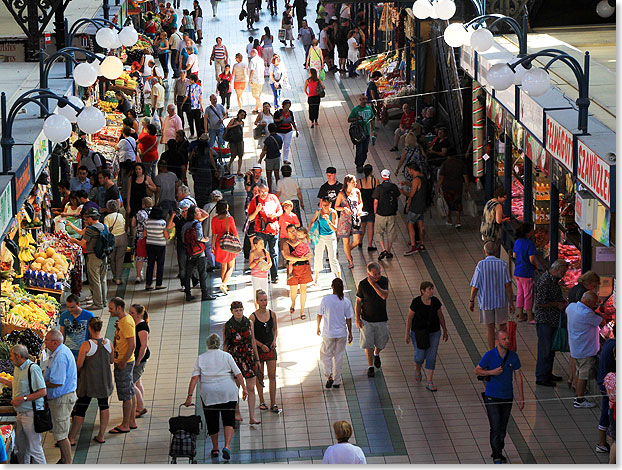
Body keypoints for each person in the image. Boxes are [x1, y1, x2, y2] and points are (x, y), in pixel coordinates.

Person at [184, 334, 248, 461]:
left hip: (209, 394)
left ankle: (215, 448)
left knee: (212, 421)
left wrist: (189, 396)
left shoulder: (201, 358)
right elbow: (238, 373)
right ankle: (227, 446)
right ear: (219, 343)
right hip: (228, 392)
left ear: (207, 344)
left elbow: (194, 378)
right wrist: (244, 388)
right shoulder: (226, 356)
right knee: (229, 420)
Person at [475, 330, 524, 464]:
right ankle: (497, 454)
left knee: (502, 427)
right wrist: (492, 372)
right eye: (504, 339)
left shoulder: (513, 356)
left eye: (507, 338)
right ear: (497, 341)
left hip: (507, 396)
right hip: (492, 396)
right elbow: (477, 370)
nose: (507, 341)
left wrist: (521, 397)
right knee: (495, 426)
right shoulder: (490, 355)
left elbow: (518, 376)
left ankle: (498, 450)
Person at [68, 317, 114, 446]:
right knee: (104, 405)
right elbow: (111, 360)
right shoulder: (108, 343)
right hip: (104, 381)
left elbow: (79, 365)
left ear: (89, 328)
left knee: (81, 408)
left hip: (88, 382)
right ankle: (101, 435)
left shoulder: (87, 345)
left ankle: (71, 437)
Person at [0, 345, 47, 464]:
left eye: (11, 356)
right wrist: (2, 380)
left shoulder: (33, 369)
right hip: (20, 413)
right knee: (21, 447)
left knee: (34, 448)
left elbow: (42, 391)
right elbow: (15, 384)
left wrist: (22, 399)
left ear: (19, 356)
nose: (10, 358)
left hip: (31, 413)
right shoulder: (17, 368)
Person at [469, 241, 515, 351]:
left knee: (489, 327)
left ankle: (491, 351)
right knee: (502, 326)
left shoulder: (480, 265)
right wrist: (511, 303)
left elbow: (475, 286)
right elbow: (508, 285)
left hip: (486, 302)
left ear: (485, 252)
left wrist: (471, 300)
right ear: (496, 251)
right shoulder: (503, 264)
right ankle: (502, 349)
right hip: (501, 301)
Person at [404, 282, 448, 392]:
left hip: (434, 332)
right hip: (418, 333)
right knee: (420, 356)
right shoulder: (416, 302)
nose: (432, 291)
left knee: (431, 357)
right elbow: (410, 318)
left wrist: (445, 330)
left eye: (432, 289)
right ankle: (418, 368)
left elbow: (440, 316)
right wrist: (407, 333)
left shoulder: (435, 302)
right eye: (429, 289)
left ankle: (429, 381)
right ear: (422, 291)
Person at [223, 301, 261, 425]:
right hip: (235, 357)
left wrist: (257, 358)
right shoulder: (228, 326)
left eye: (240, 310)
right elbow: (225, 345)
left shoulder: (249, 323)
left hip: (248, 356)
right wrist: (224, 362)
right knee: (236, 387)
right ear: (232, 312)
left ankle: (252, 416)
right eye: (236, 310)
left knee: (251, 387)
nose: (239, 313)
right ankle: (237, 412)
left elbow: (253, 341)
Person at [43, 329, 78, 464]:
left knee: (62, 435)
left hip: (61, 399)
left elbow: (57, 382)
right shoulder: (58, 352)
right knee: (59, 432)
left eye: (46, 340)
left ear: (55, 342)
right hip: (62, 397)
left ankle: (67, 462)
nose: (45, 342)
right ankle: (64, 459)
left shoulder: (60, 357)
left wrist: (41, 384)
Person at [566, 291, 606, 408]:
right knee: (583, 375)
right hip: (586, 350)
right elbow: (601, 321)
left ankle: (578, 395)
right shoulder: (586, 314)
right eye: (594, 303)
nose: (595, 305)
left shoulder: (571, 307)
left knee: (579, 372)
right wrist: (601, 314)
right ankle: (580, 400)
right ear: (588, 302)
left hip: (575, 347)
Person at [533, 259, 568, 387]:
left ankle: (547, 373)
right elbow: (539, 302)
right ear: (557, 269)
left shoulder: (553, 280)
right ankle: (542, 377)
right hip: (545, 320)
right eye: (563, 272)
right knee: (545, 349)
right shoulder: (545, 282)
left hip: (552, 320)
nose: (564, 275)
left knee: (550, 349)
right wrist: (556, 304)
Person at [567, 270, 601, 387]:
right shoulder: (585, 309)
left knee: (576, 364)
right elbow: (595, 319)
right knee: (583, 372)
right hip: (583, 345)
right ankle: (579, 397)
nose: (594, 288)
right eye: (594, 285)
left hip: (575, 338)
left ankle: (573, 381)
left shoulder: (575, 291)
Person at [68, 208, 107, 310]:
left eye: (87, 218)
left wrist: (74, 240)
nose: (86, 220)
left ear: (90, 218)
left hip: (94, 256)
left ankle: (98, 304)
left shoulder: (91, 229)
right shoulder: (103, 226)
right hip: (104, 256)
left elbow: (81, 243)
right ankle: (104, 301)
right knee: (103, 280)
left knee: (95, 280)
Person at [317, 278, 353, 389]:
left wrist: (318, 327)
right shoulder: (345, 301)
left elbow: (319, 314)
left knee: (325, 355)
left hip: (329, 333)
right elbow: (349, 318)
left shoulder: (326, 300)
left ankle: (329, 376)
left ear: (332, 287)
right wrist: (350, 332)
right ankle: (337, 381)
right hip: (341, 333)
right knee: (339, 356)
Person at [356, 262, 389, 378]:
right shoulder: (363, 284)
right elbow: (358, 302)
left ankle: (377, 353)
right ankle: (371, 366)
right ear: (369, 274)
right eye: (375, 274)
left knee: (383, 341)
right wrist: (357, 318)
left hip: (381, 319)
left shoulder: (384, 281)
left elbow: (384, 295)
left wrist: (374, 284)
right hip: (367, 319)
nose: (377, 276)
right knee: (368, 344)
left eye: (379, 273)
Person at [108, 297, 136, 434]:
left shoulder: (126, 323)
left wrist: (123, 362)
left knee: (126, 395)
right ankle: (131, 421)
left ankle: (125, 424)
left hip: (124, 363)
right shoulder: (123, 321)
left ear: (119, 308)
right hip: (122, 361)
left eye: (111, 308)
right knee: (129, 391)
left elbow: (132, 345)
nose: (109, 310)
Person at [250, 290, 280, 413]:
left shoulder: (272, 314)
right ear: (257, 301)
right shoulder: (252, 317)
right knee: (260, 376)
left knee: (272, 376)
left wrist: (274, 340)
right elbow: (251, 336)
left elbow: (275, 329)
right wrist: (261, 345)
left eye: (265, 300)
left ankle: (273, 402)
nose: (264, 302)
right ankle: (262, 400)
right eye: (261, 300)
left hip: (270, 347)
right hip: (259, 350)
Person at [248, 183, 283, 283]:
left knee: (274, 252)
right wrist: (257, 211)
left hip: (273, 229)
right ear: (258, 191)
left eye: (265, 191)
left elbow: (280, 210)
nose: (263, 193)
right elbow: (250, 218)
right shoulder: (255, 201)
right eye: (261, 191)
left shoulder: (273, 198)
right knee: (262, 252)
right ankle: (263, 273)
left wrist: (275, 214)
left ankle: (274, 275)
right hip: (261, 231)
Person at [182, 205, 216, 301]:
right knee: (202, 273)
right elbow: (199, 237)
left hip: (190, 252)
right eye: (198, 212)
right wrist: (206, 240)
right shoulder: (197, 224)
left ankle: (188, 294)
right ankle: (205, 294)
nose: (200, 213)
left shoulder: (185, 225)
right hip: (199, 252)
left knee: (188, 274)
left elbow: (183, 239)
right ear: (194, 214)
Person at [282, 224, 313, 319]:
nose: (293, 233)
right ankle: (293, 303)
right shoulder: (286, 243)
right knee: (293, 292)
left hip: (304, 268)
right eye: (290, 232)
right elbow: (287, 256)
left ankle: (302, 311)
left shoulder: (303, 240)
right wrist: (302, 258)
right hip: (293, 269)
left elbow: (310, 253)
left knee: (303, 290)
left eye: (294, 231)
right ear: (287, 233)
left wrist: (306, 259)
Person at [309, 197, 340, 283]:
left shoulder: (333, 213)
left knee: (332, 257)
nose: (324, 207)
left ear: (330, 204)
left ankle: (339, 277)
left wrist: (328, 221)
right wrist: (308, 234)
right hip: (320, 237)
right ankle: (316, 278)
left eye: (326, 205)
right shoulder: (319, 211)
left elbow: (335, 228)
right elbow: (312, 221)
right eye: (323, 205)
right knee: (318, 256)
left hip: (330, 236)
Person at [370, 169, 400, 260]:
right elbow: (397, 197)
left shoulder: (379, 188)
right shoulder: (394, 187)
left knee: (379, 232)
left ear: (382, 176)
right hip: (392, 213)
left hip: (381, 213)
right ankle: (389, 250)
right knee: (390, 232)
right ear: (389, 176)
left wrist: (375, 212)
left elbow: (375, 201)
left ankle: (383, 250)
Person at [128, 304, 150, 426]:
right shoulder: (134, 323)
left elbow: (144, 346)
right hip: (135, 357)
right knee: (137, 382)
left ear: (139, 314)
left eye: (132, 313)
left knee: (130, 383)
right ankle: (139, 404)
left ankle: (140, 407)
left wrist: (138, 361)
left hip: (140, 359)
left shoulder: (142, 326)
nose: (130, 314)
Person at [334, 174, 362, 269]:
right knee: (345, 241)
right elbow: (336, 207)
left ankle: (347, 251)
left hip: (355, 219)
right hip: (344, 220)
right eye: (353, 182)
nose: (355, 183)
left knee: (357, 241)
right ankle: (350, 260)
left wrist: (359, 209)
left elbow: (360, 203)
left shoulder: (357, 191)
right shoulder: (341, 194)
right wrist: (344, 208)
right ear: (348, 183)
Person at [211, 200, 239, 294]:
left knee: (223, 266)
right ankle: (223, 284)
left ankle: (224, 285)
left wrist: (212, 246)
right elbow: (235, 232)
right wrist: (238, 244)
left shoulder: (214, 219)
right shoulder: (229, 219)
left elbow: (214, 234)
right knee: (231, 266)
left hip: (219, 244)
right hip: (229, 244)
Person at [513, 223, 538, 323]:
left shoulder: (517, 241)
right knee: (528, 294)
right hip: (526, 272)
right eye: (532, 229)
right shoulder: (530, 243)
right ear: (528, 232)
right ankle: (530, 317)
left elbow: (514, 255)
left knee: (520, 293)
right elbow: (532, 259)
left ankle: (520, 315)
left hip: (518, 271)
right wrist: (535, 266)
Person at [437, 152, 470, 227]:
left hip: (447, 186)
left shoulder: (445, 164)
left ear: (449, 156)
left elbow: (441, 177)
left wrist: (438, 187)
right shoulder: (461, 163)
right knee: (457, 203)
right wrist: (467, 186)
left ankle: (450, 220)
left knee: (448, 203)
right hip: (458, 186)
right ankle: (458, 221)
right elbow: (465, 176)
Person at [596, 327, 615, 454]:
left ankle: (604, 441)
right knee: (608, 413)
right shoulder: (615, 346)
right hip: (608, 386)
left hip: (604, 382)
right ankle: (603, 442)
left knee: (607, 411)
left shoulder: (609, 342)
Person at [402, 163, 427, 255]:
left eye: (408, 170)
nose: (408, 172)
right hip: (422, 205)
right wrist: (407, 183)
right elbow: (415, 187)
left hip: (415, 206)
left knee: (410, 224)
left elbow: (411, 194)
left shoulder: (416, 179)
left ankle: (413, 246)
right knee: (421, 225)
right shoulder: (422, 177)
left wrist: (402, 192)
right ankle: (421, 243)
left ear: (412, 169)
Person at [348, 94, 375, 173]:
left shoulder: (369, 109)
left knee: (365, 150)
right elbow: (349, 119)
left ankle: (362, 163)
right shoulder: (355, 109)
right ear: (360, 99)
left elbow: (372, 119)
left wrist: (373, 130)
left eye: (366, 99)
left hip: (366, 132)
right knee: (359, 149)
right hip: (359, 133)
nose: (365, 101)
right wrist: (357, 118)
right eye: (363, 99)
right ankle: (359, 165)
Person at [144, 205, 170, 290]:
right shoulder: (162, 222)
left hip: (150, 244)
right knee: (160, 264)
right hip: (160, 245)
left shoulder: (147, 221)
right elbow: (166, 236)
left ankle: (148, 284)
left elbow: (145, 234)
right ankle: (158, 284)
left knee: (150, 264)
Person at [480, 187, 510, 257]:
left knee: (487, 250)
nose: (504, 201)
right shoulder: (498, 205)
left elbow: (490, 213)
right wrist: (505, 219)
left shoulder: (489, 202)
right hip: (492, 233)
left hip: (485, 231)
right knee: (493, 252)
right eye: (504, 198)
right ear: (499, 197)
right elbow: (498, 221)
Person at [104, 200, 127, 285]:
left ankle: (114, 276)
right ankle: (118, 278)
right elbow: (124, 226)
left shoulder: (107, 218)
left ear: (108, 208)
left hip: (112, 239)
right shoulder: (120, 215)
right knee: (120, 259)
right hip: (122, 237)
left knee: (112, 259)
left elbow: (106, 230)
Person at [131, 197, 153, 283]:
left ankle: (138, 275)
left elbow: (133, 224)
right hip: (153, 237)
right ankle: (153, 275)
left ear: (143, 204)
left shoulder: (139, 213)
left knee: (140, 257)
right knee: (152, 258)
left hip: (141, 237)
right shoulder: (156, 211)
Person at [356, 165, 378, 252]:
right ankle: (369, 245)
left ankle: (360, 241)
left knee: (363, 226)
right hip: (372, 206)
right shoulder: (375, 181)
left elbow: (356, 195)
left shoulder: (359, 182)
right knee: (370, 226)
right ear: (371, 171)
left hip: (362, 207)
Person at [258, 123, 283, 193]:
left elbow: (264, 150)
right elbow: (280, 147)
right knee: (277, 174)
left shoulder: (268, 139)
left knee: (269, 175)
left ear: (269, 130)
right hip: (277, 157)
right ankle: (278, 189)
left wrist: (260, 159)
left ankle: (270, 190)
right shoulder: (279, 138)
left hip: (269, 159)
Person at [274, 100, 299, 164]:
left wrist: (296, 130)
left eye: (289, 106)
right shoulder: (278, 112)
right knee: (278, 145)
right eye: (286, 106)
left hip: (288, 131)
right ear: (283, 106)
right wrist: (279, 119)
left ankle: (285, 159)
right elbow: (273, 120)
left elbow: (292, 122)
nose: (287, 108)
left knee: (287, 145)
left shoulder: (290, 113)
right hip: (280, 131)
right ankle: (277, 157)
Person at [249, 237, 272, 305]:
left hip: (264, 276)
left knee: (265, 293)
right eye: (260, 243)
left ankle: (264, 308)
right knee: (256, 293)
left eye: (263, 243)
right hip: (256, 276)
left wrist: (268, 266)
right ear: (256, 245)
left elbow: (270, 262)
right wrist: (257, 261)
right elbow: (250, 266)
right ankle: (257, 308)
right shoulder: (253, 253)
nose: (262, 244)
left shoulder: (265, 252)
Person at [181, 73, 204, 138]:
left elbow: (186, 96)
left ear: (193, 80)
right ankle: (198, 134)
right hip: (197, 107)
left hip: (190, 107)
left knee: (190, 121)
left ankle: (192, 134)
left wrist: (182, 104)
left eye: (190, 79)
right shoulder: (199, 87)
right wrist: (201, 106)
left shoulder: (189, 87)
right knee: (198, 121)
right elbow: (200, 97)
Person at [226, 109, 247, 176]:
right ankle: (228, 166)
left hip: (240, 140)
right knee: (233, 155)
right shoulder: (233, 120)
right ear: (238, 115)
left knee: (240, 155)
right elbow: (228, 127)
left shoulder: (242, 123)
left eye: (243, 115)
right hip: (233, 141)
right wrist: (235, 125)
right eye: (241, 115)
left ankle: (239, 170)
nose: (242, 116)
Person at [248, 48, 265, 114]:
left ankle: (263, 108)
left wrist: (250, 79)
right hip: (261, 80)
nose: (250, 54)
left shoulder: (252, 61)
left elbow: (252, 70)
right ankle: (256, 108)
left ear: (254, 53)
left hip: (255, 80)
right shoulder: (261, 60)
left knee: (255, 95)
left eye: (251, 53)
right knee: (258, 95)